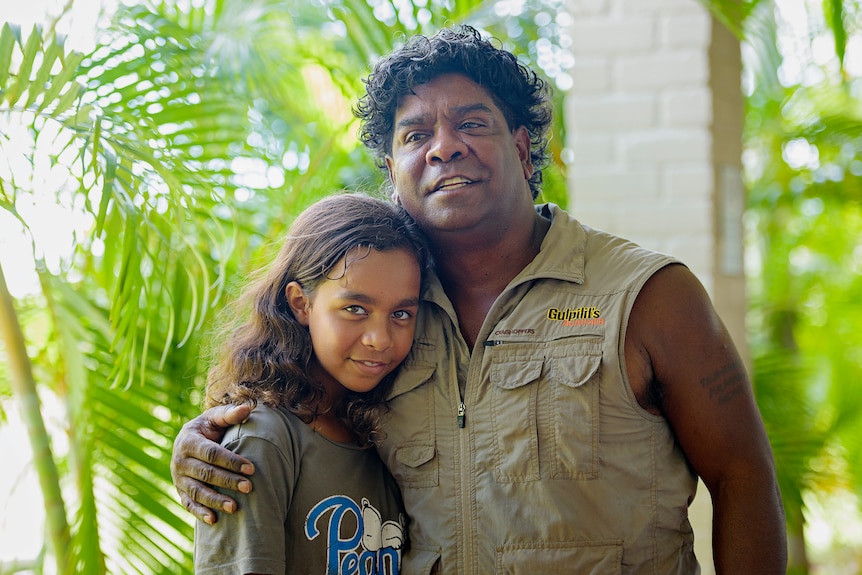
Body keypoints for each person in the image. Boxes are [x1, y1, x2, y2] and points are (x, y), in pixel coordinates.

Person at [173, 25, 787, 574]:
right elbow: (298, 412)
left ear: (521, 149)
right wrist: (206, 442)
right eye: (417, 134)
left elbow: (743, 479)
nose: (444, 147)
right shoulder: (387, 313)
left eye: (471, 123)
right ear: (392, 168)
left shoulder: (648, 295)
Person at [193, 192, 429, 575]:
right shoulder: (260, 441)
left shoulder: (385, 435)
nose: (380, 339)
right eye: (355, 309)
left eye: (401, 313)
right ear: (301, 304)